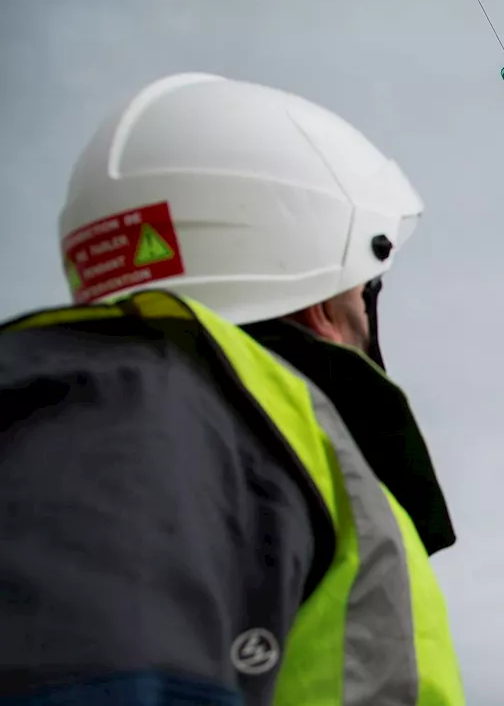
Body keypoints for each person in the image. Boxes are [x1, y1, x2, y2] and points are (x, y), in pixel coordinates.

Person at [0, 73, 465, 705]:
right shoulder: (151, 412)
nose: (364, 309)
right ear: (312, 268)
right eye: (366, 283)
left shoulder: (208, 424)